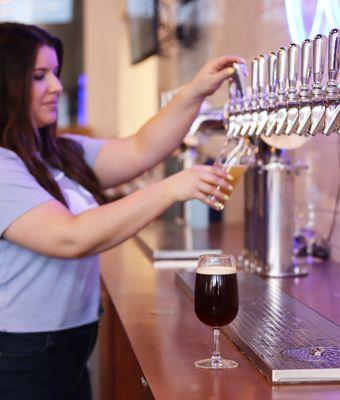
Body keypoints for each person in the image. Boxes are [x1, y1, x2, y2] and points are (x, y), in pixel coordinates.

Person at [0, 22, 244, 399]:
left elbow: (140, 148)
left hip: (69, 342)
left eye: (54, 73)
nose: (56, 87)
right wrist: (171, 189)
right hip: (19, 353)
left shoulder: (57, 152)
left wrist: (194, 91)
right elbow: (70, 236)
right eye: (38, 76)